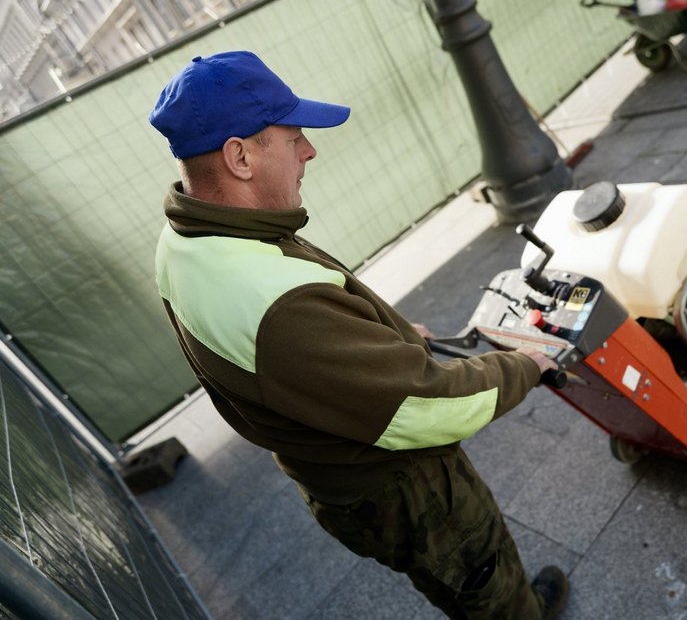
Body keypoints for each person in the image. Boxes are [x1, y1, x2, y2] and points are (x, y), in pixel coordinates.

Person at [148, 50, 570, 619]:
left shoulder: (183, 242)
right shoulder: (279, 305)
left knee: (454, 583)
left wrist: (377, 340)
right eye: (293, 137)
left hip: (337, 477)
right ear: (239, 157)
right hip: (401, 485)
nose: (309, 150)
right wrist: (525, 365)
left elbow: (283, 352)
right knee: (480, 576)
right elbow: (426, 407)